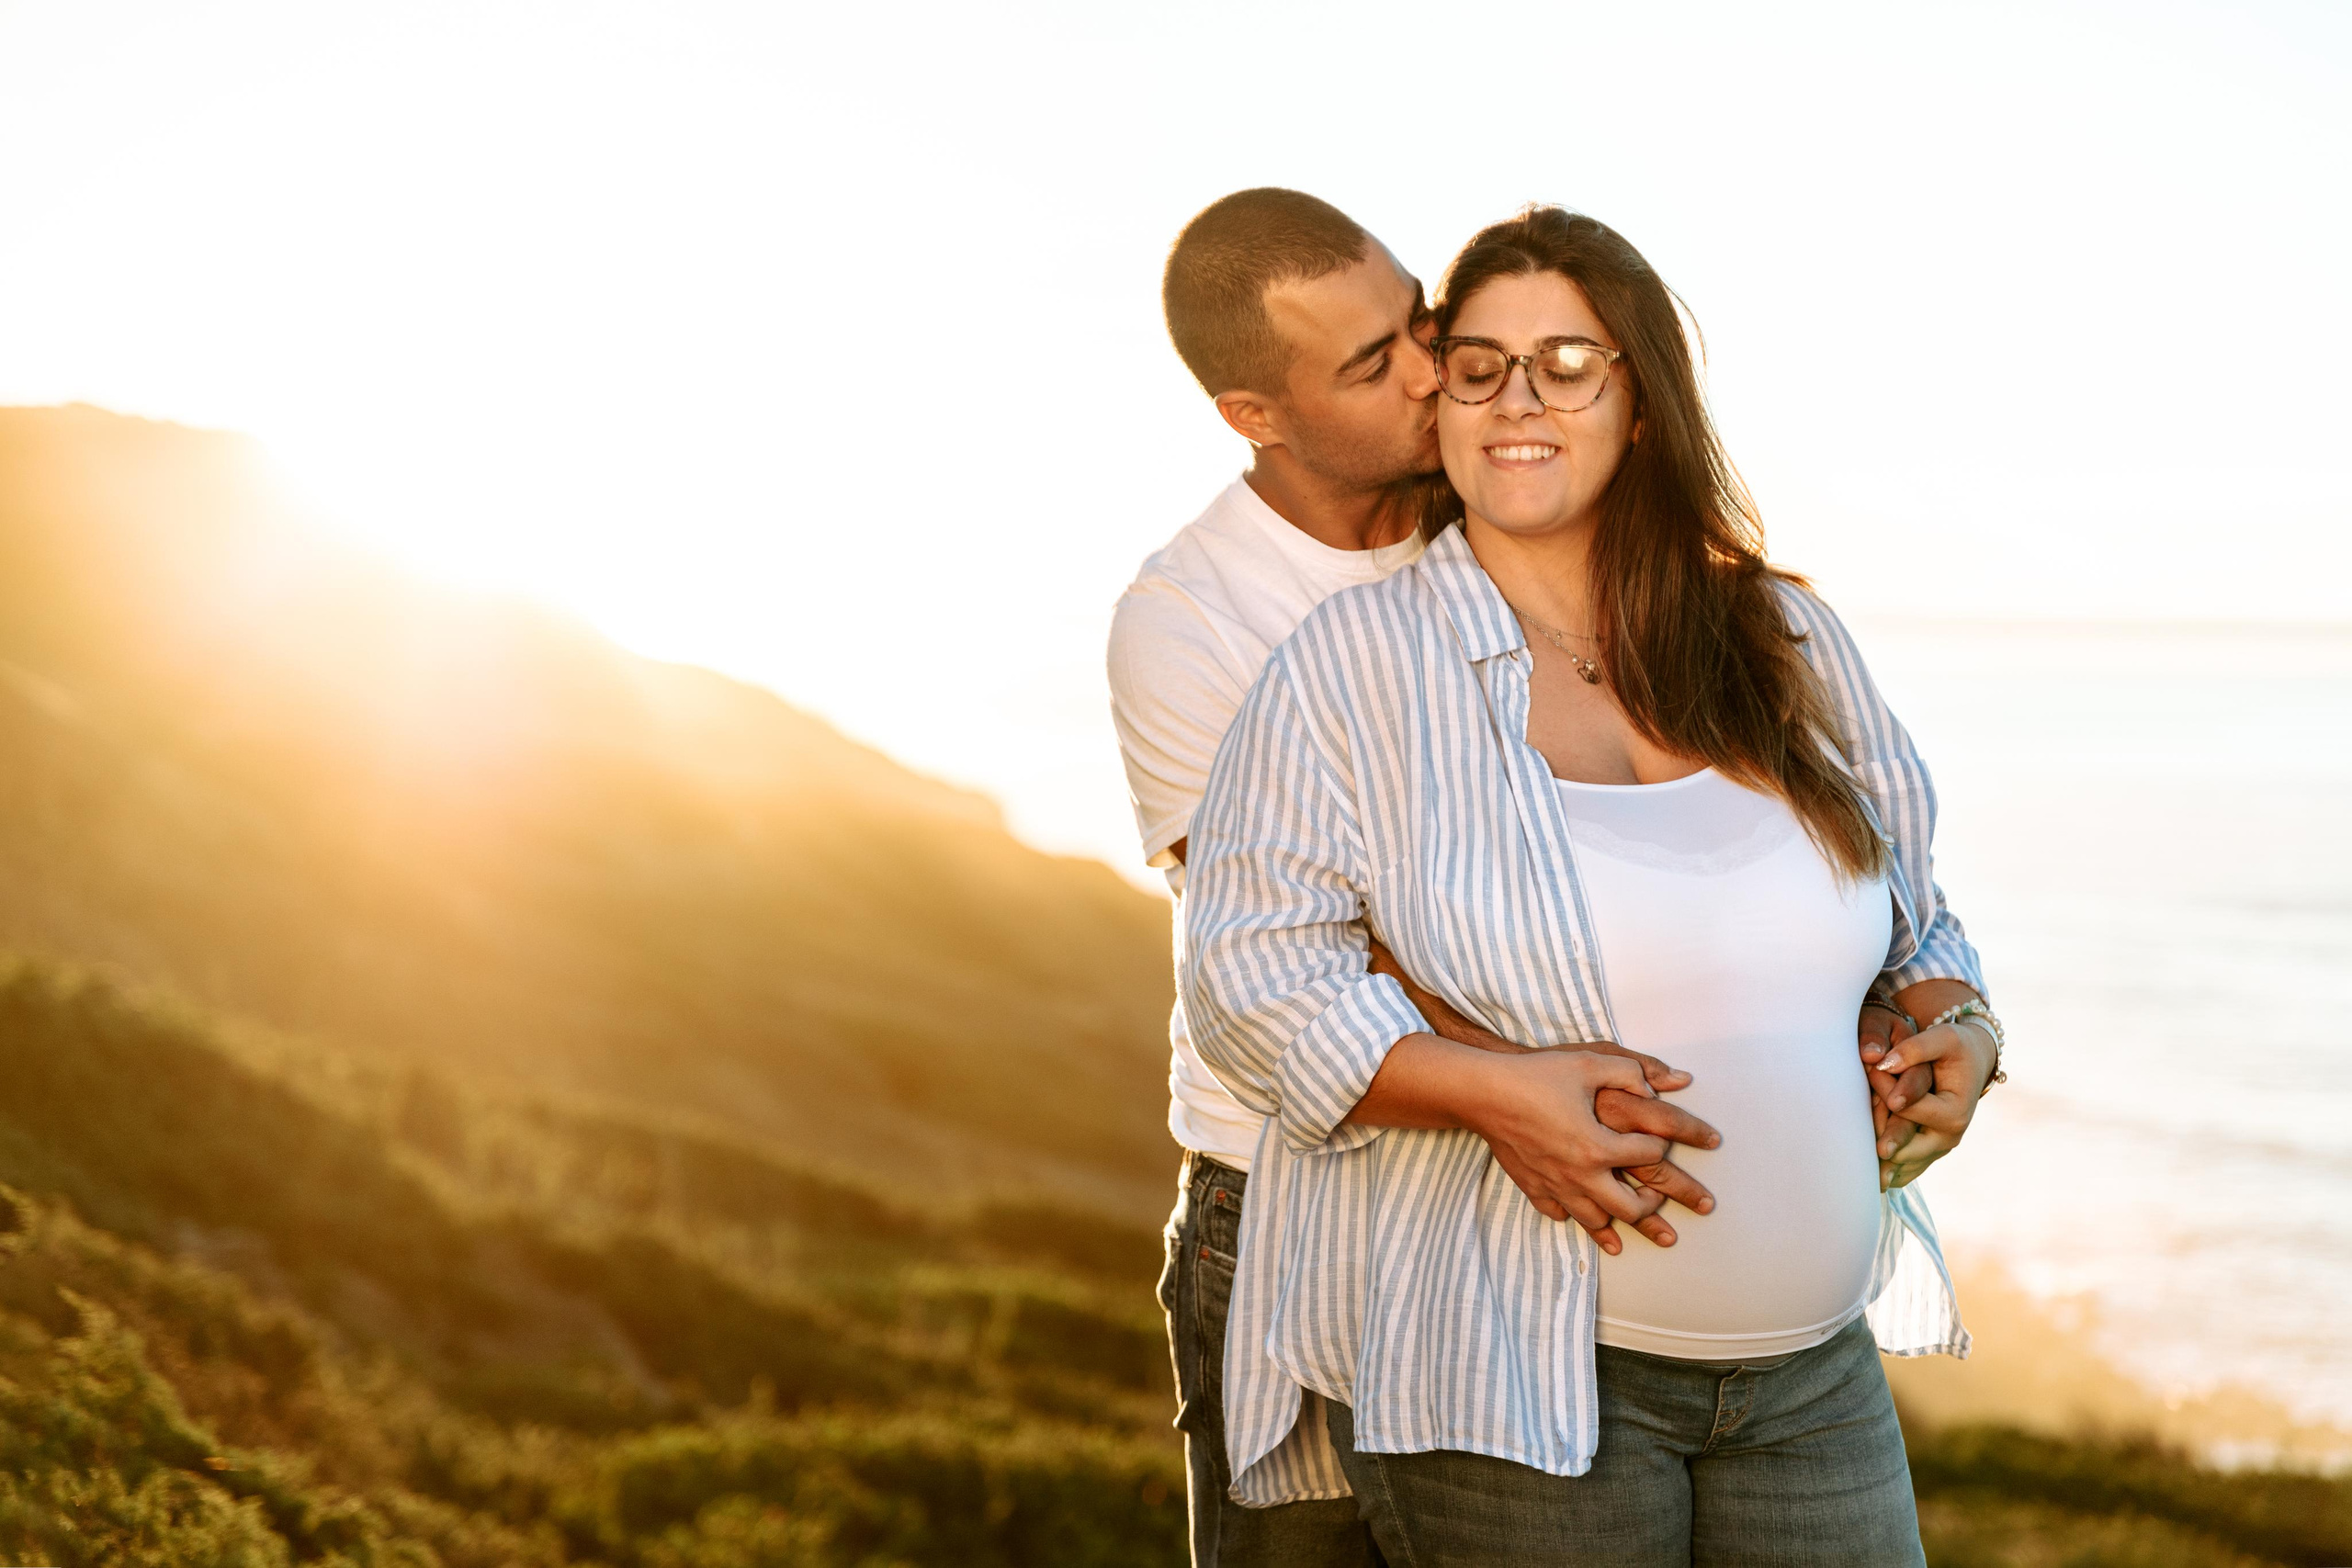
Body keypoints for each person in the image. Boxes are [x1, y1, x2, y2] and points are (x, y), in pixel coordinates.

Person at [1111, 190, 1951, 1567]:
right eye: (1461, 366)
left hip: (1812, 1374)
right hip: (1442, 1301)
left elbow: (1908, 892)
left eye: (1560, 362)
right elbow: (1265, 967)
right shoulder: (1277, 645)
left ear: (1642, 397)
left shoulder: (1771, 626)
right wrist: (1505, 1091)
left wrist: (1944, 1022)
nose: (1470, 384)